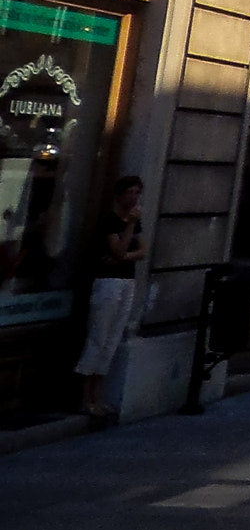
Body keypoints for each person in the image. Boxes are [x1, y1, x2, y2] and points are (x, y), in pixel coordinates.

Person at [75, 175, 145, 418]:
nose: (134, 197)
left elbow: (141, 251)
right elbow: (120, 248)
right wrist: (127, 231)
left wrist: (122, 257)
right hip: (108, 283)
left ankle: (99, 396)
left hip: (126, 280)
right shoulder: (110, 221)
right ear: (119, 195)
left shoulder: (135, 222)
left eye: (137, 192)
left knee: (112, 339)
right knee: (98, 336)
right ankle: (86, 398)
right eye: (130, 192)